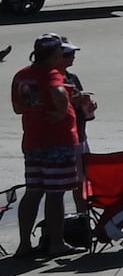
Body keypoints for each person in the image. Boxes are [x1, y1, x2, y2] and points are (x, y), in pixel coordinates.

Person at [15, 34, 92, 260]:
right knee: (55, 193)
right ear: (53, 54)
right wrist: (62, 109)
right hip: (58, 140)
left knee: (33, 192)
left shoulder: (22, 75)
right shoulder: (51, 75)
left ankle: (24, 244)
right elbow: (57, 93)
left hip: (32, 139)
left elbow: (18, 107)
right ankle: (57, 243)